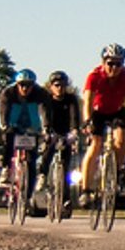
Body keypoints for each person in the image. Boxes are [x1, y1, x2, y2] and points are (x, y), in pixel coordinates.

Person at [79, 44, 125, 206]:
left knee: (121, 140)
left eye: (118, 64)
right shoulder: (94, 76)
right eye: (110, 63)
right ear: (103, 62)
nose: (114, 67)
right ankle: (85, 190)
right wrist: (87, 120)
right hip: (97, 112)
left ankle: (116, 170)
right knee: (96, 145)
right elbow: (87, 101)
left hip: (117, 111)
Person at [0, 69, 46, 200]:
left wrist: (46, 127)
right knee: (8, 141)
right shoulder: (8, 93)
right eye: (22, 85)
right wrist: (4, 125)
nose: (25, 88)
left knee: (31, 160)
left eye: (28, 85)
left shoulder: (40, 94)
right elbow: (2, 110)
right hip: (13, 125)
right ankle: (6, 169)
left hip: (32, 127)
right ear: (17, 84)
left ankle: (28, 194)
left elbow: (45, 111)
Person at [39, 71, 82, 208]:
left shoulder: (71, 99)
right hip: (51, 131)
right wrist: (46, 130)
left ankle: (65, 199)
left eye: (63, 85)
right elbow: (44, 115)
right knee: (48, 150)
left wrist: (74, 131)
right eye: (56, 85)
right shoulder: (46, 99)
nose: (60, 88)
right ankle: (43, 175)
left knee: (65, 166)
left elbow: (74, 116)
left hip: (65, 133)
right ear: (51, 86)